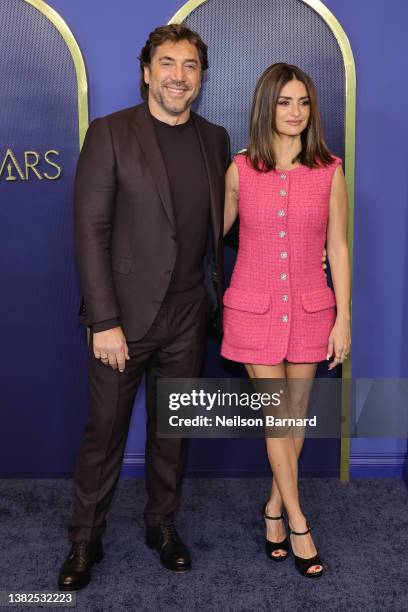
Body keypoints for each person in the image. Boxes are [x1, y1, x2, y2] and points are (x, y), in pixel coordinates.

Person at [58, 24, 230, 591]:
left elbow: (220, 228)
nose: (178, 76)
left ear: (200, 77)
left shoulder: (216, 139)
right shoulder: (110, 133)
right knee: (105, 432)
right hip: (123, 320)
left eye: (190, 66)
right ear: (146, 71)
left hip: (187, 314)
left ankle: (162, 525)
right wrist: (102, 321)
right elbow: (90, 231)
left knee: (172, 431)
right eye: (168, 63)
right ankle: (86, 535)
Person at [222, 63, 351, 578]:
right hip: (252, 311)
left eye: (303, 103)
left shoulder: (330, 169)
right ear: (266, 107)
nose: (295, 112)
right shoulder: (240, 169)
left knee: (293, 421)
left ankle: (273, 507)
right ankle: (298, 522)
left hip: (312, 310)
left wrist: (344, 319)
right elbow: (208, 234)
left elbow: (337, 248)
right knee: (279, 419)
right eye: (284, 102)